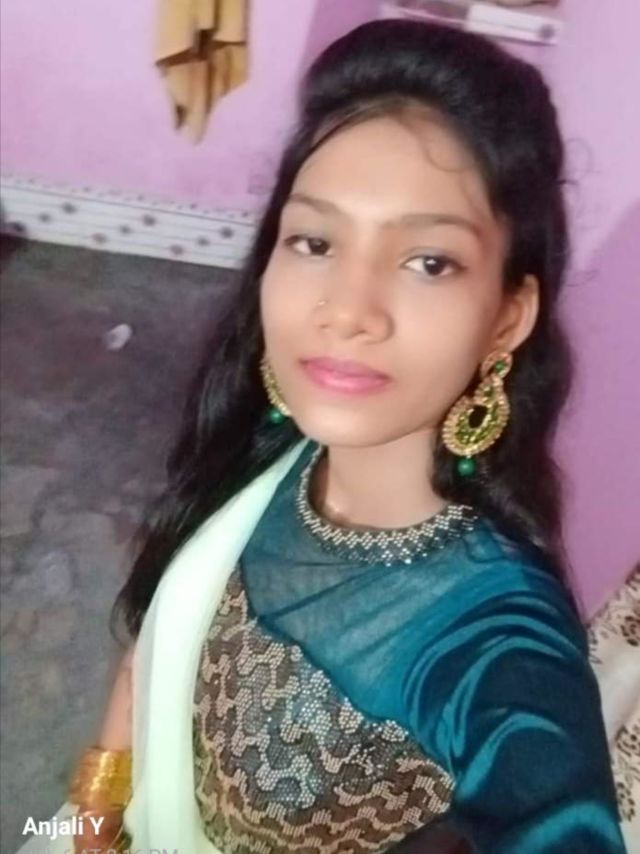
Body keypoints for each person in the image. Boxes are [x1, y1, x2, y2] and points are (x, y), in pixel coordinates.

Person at [18, 18, 627, 854]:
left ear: (507, 318)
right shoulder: (266, 462)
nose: (347, 310)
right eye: (314, 242)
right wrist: (90, 819)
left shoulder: (492, 642)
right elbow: (150, 659)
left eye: (429, 262)